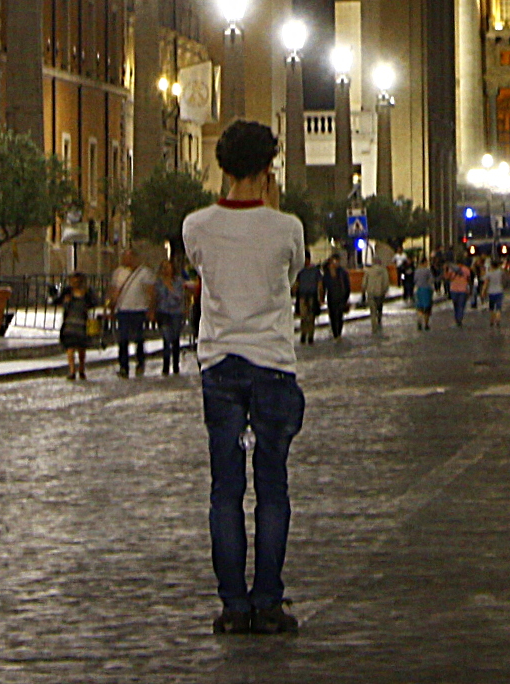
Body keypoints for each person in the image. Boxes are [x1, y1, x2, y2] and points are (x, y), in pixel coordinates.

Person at [181, 118, 310, 635]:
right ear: (268, 168)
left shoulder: (196, 225)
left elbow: (201, 271)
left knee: (225, 490)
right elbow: (291, 274)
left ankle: (233, 605)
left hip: (220, 366)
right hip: (273, 366)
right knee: (273, 490)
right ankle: (268, 600)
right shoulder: (287, 228)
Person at [110, 247, 156, 379]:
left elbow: (151, 292)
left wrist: (151, 309)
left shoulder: (145, 273)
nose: (125, 259)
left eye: (128, 257)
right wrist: (112, 305)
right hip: (123, 310)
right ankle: (123, 366)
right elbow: (114, 290)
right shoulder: (118, 273)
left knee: (139, 339)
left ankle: (140, 362)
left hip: (139, 310)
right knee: (122, 339)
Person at [155, 257, 192, 377]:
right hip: (164, 312)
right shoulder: (158, 282)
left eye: (168, 267)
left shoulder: (178, 281)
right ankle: (166, 366)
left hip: (176, 313)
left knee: (175, 339)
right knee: (166, 339)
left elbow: (179, 296)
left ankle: (176, 365)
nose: (166, 270)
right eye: (164, 268)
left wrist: (170, 287)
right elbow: (156, 297)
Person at [58, 271, 95, 380]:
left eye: (78, 281)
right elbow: (60, 302)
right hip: (69, 323)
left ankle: (81, 369)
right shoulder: (67, 292)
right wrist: (66, 302)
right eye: (73, 281)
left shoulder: (87, 293)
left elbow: (94, 303)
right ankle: (72, 370)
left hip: (82, 323)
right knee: (70, 348)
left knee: (81, 348)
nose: (75, 283)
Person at [320, 253, 351, 341]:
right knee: (333, 315)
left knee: (339, 316)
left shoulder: (342, 272)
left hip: (341, 296)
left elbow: (347, 285)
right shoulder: (327, 272)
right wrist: (322, 297)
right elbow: (324, 285)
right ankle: (335, 333)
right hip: (331, 297)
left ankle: (339, 333)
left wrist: (346, 297)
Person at [294, 256, 322, 345]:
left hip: (312, 296)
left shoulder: (315, 271)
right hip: (302, 296)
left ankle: (310, 336)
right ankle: (304, 334)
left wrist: (320, 296)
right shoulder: (300, 271)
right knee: (303, 317)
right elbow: (296, 284)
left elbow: (320, 284)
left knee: (311, 317)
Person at [362, 254, 389, 335]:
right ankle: (379, 319)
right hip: (380, 292)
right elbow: (386, 282)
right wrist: (384, 290)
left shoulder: (368, 271)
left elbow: (364, 282)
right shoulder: (384, 271)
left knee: (372, 310)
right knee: (379, 307)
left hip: (371, 292)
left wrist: (363, 290)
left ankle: (374, 325)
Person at [445, 259, 472, 328]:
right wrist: (470, 289)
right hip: (463, 290)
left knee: (456, 305)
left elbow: (447, 277)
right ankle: (459, 320)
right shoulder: (466, 269)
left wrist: (446, 270)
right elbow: (469, 279)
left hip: (454, 289)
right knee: (461, 306)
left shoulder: (452, 269)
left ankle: (457, 319)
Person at [483, 256, 508, 328]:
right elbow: (504, 278)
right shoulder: (500, 272)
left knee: (491, 308)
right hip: (499, 291)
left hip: (491, 292)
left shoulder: (489, 274)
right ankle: (498, 319)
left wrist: (483, 291)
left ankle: (491, 320)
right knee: (498, 308)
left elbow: (486, 283)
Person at [413, 259, 436, 330]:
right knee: (427, 308)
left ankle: (419, 321)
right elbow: (431, 280)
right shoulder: (427, 271)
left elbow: (414, 280)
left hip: (419, 290)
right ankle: (426, 324)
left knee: (420, 307)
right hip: (426, 290)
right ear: (424, 263)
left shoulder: (416, 271)